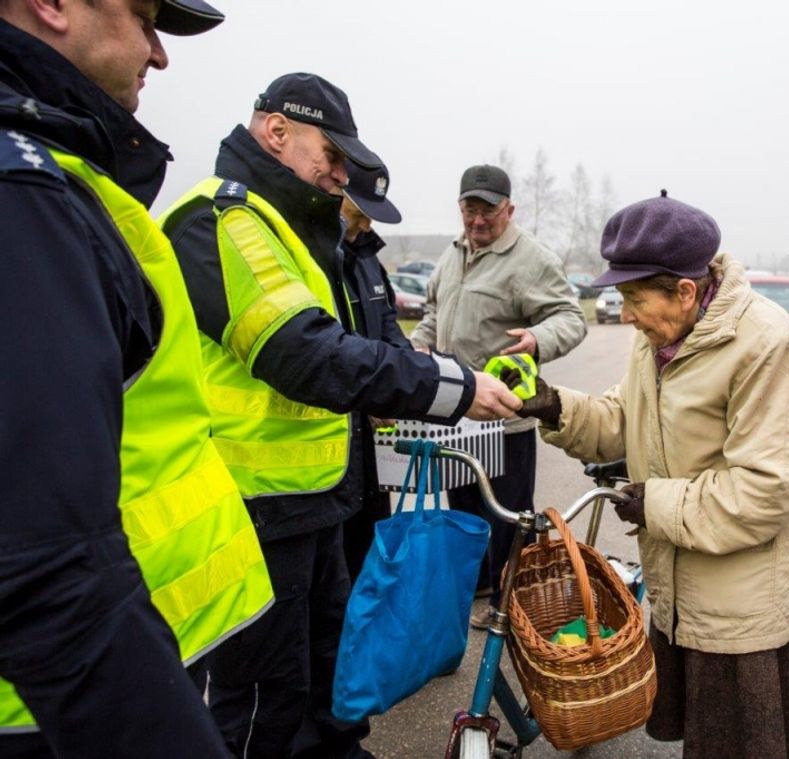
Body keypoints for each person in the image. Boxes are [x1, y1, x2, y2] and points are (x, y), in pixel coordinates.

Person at [160, 74, 521, 757]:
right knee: (268, 695)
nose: (338, 172)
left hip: (312, 500)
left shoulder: (289, 228)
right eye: (331, 153)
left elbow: (357, 346)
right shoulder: (224, 221)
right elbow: (308, 354)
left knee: (330, 664)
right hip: (253, 508)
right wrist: (449, 385)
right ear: (276, 131)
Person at [0, 1, 277, 757]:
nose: (159, 55)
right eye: (144, 15)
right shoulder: (23, 187)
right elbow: (45, 568)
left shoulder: (57, 171)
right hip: (58, 708)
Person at [511, 192, 789, 757]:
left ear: (684, 290)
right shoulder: (659, 336)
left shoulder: (767, 344)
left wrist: (652, 504)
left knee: (739, 743)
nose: (624, 314)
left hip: (739, 606)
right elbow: (625, 417)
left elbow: (765, 488)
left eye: (632, 298)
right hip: (684, 590)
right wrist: (555, 406)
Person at [410, 164, 586, 628]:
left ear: (509, 210)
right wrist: (418, 344)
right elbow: (433, 312)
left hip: (505, 420)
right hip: (455, 412)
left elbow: (570, 317)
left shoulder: (532, 259)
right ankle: (482, 585)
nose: (478, 221)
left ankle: (516, 608)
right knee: (464, 512)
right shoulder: (453, 254)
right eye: (470, 210)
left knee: (507, 519)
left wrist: (537, 338)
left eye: (488, 211)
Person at [338, 159, 413, 580]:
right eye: (359, 214)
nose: (366, 226)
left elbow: (387, 325)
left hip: (372, 441)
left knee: (370, 545)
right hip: (337, 436)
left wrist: (414, 372)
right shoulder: (316, 257)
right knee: (340, 564)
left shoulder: (368, 258)